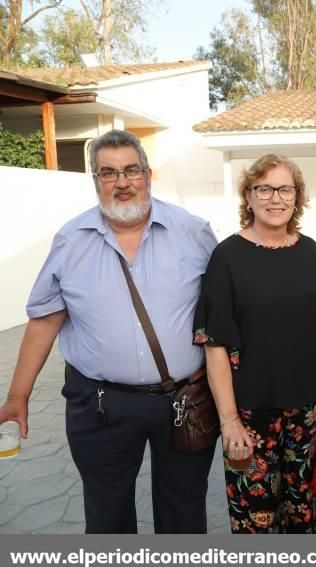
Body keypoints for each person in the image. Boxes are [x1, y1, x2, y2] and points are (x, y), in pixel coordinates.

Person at [0, 129, 217, 533]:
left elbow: (224, 312)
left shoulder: (193, 232)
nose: (122, 182)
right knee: (107, 515)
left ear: (148, 175)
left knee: (184, 513)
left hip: (184, 400)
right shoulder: (71, 239)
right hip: (100, 404)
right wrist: (17, 395)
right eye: (108, 173)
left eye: (131, 170)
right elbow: (46, 317)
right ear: (95, 180)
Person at [193, 154, 316, 534]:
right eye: (265, 189)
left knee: (301, 512)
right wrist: (229, 421)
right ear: (249, 197)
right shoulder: (227, 257)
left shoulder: (309, 252)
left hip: (305, 412)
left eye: (285, 189)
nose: (276, 198)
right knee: (255, 518)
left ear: (297, 196)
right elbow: (214, 344)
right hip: (250, 416)